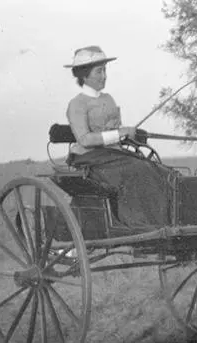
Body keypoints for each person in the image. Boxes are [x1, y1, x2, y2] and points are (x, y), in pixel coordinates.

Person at [65, 45, 175, 228]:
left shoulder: (108, 99)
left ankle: (165, 222)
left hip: (114, 155)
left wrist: (130, 133)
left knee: (160, 170)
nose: (104, 76)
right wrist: (119, 134)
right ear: (84, 75)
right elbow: (85, 139)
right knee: (139, 170)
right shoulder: (77, 104)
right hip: (91, 160)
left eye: (105, 70)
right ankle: (138, 225)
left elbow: (115, 130)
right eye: (99, 71)